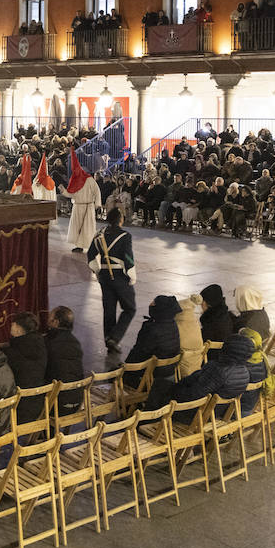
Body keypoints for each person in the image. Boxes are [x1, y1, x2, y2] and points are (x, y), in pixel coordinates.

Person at [87, 207, 137, 354]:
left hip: (104, 276)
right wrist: (131, 275)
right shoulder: (125, 236)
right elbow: (128, 257)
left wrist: (97, 270)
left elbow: (90, 255)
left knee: (109, 310)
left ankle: (108, 340)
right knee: (130, 308)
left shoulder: (99, 234)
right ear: (120, 219)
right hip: (120, 276)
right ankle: (114, 338)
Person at [124, 295, 181, 389]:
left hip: (152, 375)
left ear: (159, 309)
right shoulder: (173, 324)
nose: (150, 304)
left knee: (117, 374)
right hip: (169, 371)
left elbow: (139, 353)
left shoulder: (152, 329)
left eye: (154, 303)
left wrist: (125, 367)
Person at [7, 311, 48, 422]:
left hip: (18, 409)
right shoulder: (41, 344)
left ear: (18, 328)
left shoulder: (12, 352)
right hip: (39, 405)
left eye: (12, 324)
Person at [45, 306, 85, 417]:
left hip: (56, 404)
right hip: (77, 401)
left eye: (50, 318)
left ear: (56, 322)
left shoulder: (48, 343)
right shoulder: (75, 343)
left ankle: (46, 433)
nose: (47, 321)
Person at [63, 147, 100, 253]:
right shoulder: (74, 181)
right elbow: (71, 194)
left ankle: (90, 245)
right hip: (77, 206)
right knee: (77, 227)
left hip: (88, 206)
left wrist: (97, 203)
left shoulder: (89, 180)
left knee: (87, 228)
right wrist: (63, 191)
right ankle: (78, 245)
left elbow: (97, 191)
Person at [198, 283, 234, 350]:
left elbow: (201, 341)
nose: (201, 305)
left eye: (202, 301)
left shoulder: (211, 321)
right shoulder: (225, 314)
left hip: (213, 356)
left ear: (208, 303)